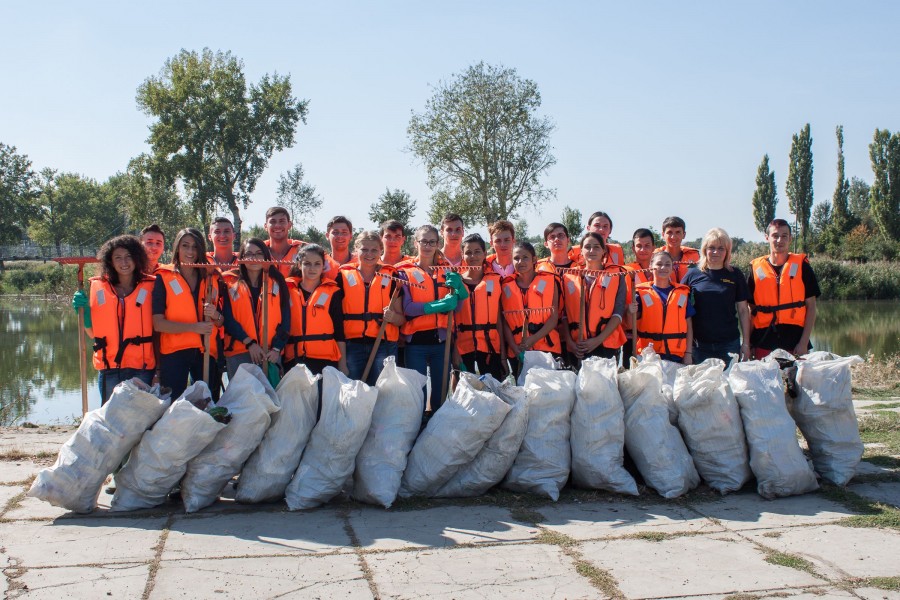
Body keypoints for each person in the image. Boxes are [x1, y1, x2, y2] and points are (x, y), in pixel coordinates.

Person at [71, 235, 156, 404]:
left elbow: (160, 330)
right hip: (109, 367)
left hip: (142, 367)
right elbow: (92, 333)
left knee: (140, 420)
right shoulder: (99, 287)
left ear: (136, 258)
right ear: (110, 261)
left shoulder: (152, 286)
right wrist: (84, 314)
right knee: (110, 420)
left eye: (128, 257)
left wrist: (159, 371)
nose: (123, 262)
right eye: (118, 258)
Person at [398, 225, 466, 416]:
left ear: (438, 244)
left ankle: (436, 432)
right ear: (415, 243)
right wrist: (436, 306)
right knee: (417, 395)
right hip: (415, 343)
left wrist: (459, 291)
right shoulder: (404, 271)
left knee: (440, 395)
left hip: (441, 343)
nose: (427, 246)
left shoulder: (447, 271)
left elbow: (457, 307)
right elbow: (408, 309)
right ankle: (417, 429)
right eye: (423, 241)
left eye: (432, 242)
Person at [152, 228, 225, 401]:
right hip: (174, 352)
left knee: (207, 403)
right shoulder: (163, 277)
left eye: (195, 247)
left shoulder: (212, 277)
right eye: (185, 246)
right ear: (177, 248)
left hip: (206, 351)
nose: (190, 252)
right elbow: (158, 323)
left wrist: (215, 315)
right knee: (173, 403)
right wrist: (194, 328)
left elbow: (222, 322)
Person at [337, 231, 405, 386]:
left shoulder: (391, 276)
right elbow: (335, 317)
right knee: (353, 390)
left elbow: (401, 319)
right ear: (356, 250)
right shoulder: (342, 275)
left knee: (382, 391)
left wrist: (393, 317)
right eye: (364, 249)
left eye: (374, 250)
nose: (369, 254)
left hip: (383, 343)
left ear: (381, 251)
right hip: (351, 344)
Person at [747, 218, 820, 358]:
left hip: (795, 341)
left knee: (796, 379)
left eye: (784, 236)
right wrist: (749, 343)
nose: (779, 240)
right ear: (767, 238)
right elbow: (751, 311)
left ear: (790, 238)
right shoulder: (755, 269)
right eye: (775, 236)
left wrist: (803, 342)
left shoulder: (802, 267)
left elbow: (811, 307)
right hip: (763, 339)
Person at [221, 238, 290, 379]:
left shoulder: (277, 281)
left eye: (259, 253)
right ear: (242, 257)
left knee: (269, 399)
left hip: (270, 353)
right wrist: (249, 343)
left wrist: (277, 348)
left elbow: (286, 318)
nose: (254, 258)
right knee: (242, 399)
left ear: (265, 256)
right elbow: (227, 318)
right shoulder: (229, 282)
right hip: (239, 352)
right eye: (249, 254)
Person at [681, 228, 751, 365]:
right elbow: (680, 308)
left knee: (730, 385)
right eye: (711, 248)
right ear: (704, 250)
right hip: (699, 345)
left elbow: (743, 310)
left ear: (727, 251)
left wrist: (746, 344)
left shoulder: (735, 274)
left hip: (729, 344)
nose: (715, 252)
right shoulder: (692, 274)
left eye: (721, 248)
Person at [561, 233, 627, 361]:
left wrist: (597, 340)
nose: (592, 250)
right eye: (587, 247)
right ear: (581, 251)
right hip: (577, 346)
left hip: (605, 346)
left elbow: (618, 314)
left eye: (596, 247)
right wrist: (570, 343)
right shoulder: (568, 277)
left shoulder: (617, 276)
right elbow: (563, 315)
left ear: (603, 251)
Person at [283, 244, 347, 376]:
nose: (312, 268)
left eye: (317, 264)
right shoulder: (287, 290)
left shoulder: (333, 292)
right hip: (294, 360)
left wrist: (343, 364)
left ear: (323, 266)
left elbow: (339, 332)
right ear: (299, 265)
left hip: (325, 361)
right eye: (307, 263)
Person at [501, 241, 561, 377]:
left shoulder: (550, 282)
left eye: (525, 257)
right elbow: (504, 321)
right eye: (516, 258)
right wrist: (515, 348)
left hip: (546, 348)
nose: (520, 261)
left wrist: (533, 339)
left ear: (534, 259)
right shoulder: (505, 286)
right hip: (517, 349)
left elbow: (554, 317)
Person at [452, 234, 506, 380]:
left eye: (477, 251)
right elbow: (450, 321)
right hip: (463, 348)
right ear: (462, 255)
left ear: (484, 253)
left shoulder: (496, 281)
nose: (473, 256)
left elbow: (499, 320)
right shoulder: (454, 282)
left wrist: (502, 356)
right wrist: (454, 352)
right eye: (468, 252)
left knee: (493, 395)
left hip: (490, 348)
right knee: (464, 396)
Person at [629, 251, 694, 364]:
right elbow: (631, 324)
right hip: (648, 356)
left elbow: (689, 326)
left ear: (672, 267)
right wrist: (629, 312)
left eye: (667, 264)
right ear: (651, 267)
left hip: (676, 356)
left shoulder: (682, 294)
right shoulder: (640, 294)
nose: (663, 267)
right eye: (659, 264)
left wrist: (688, 353)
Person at [622, 228, 656, 365]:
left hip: (655, 333)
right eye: (639, 246)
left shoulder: (663, 270)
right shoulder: (625, 272)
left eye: (647, 245)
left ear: (654, 247)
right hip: (633, 335)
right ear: (633, 248)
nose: (643, 249)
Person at [657, 216, 700, 284]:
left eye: (678, 232)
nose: (673, 237)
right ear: (663, 234)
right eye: (669, 232)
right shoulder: (655, 257)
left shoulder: (696, 257)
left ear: (684, 235)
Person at [264, 207, 305, 277]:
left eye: (282, 221)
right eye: (273, 222)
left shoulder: (305, 250)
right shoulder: (256, 251)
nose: (277, 225)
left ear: (289, 225)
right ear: (265, 226)